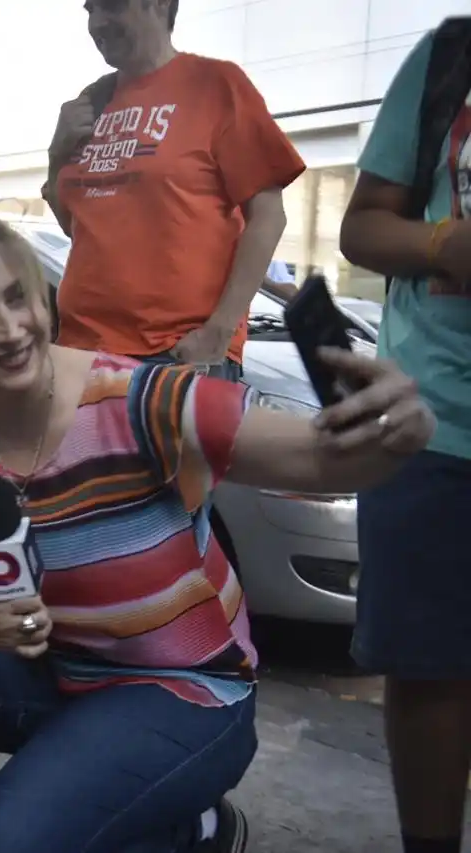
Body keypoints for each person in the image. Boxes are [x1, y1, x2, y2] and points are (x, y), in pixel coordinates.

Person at [0, 212, 436, 853]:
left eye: (17, 297)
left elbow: (317, 458)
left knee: (12, 840)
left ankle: (186, 829)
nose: (10, 328)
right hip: (55, 674)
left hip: (184, 690)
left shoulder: (135, 397)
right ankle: (5, 823)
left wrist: (396, 437)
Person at [338, 24, 471, 853]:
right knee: (430, 669)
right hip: (432, 425)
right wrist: (444, 243)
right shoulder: (449, 58)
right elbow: (361, 229)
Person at [43, 0, 304, 380]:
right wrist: (56, 153)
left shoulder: (216, 85)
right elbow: (77, 227)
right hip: (81, 352)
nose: (97, 23)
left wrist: (220, 329)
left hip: (174, 354)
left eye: (111, 7)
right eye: (90, 9)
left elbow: (268, 216)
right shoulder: (92, 100)